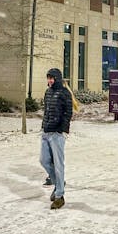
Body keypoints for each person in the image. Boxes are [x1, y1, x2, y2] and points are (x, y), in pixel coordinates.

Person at [39, 68, 73, 210]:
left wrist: (62, 129)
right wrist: (43, 126)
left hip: (57, 134)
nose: (50, 80)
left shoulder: (64, 93)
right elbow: (46, 110)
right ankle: (59, 183)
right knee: (44, 160)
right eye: (48, 78)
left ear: (57, 79)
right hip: (46, 132)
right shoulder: (48, 92)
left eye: (52, 78)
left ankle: (59, 196)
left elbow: (68, 112)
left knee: (59, 165)